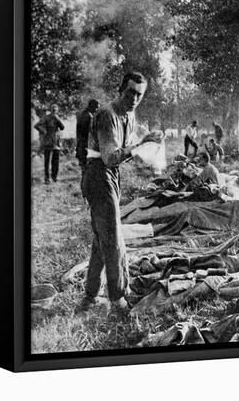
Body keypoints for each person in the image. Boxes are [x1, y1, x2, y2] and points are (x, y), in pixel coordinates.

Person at [79, 71, 162, 315]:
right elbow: (110, 156)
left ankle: (90, 294)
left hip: (110, 176)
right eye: (130, 93)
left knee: (102, 237)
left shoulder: (130, 115)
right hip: (98, 175)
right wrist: (140, 144)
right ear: (121, 90)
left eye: (139, 94)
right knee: (113, 238)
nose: (134, 98)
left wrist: (147, 142)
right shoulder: (108, 114)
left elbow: (123, 153)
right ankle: (117, 298)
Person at [34, 103, 65, 184]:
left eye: (55, 110)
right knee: (47, 162)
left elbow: (62, 127)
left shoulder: (57, 118)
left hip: (57, 142)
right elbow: (36, 125)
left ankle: (54, 178)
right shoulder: (46, 118)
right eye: (53, 110)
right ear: (50, 110)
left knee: (56, 161)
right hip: (48, 142)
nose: (54, 111)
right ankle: (47, 179)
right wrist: (43, 131)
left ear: (57, 111)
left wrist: (57, 119)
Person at [75, 99, 100, 192]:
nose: (97, 109)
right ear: (91, 107)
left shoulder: (81, 115)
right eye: (96, 107)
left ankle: (85, 194)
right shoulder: (90, 117)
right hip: (86, 148)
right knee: (88, 172)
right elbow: (92, 134)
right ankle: (87, 193)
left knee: (84, 172)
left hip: (80, 147)